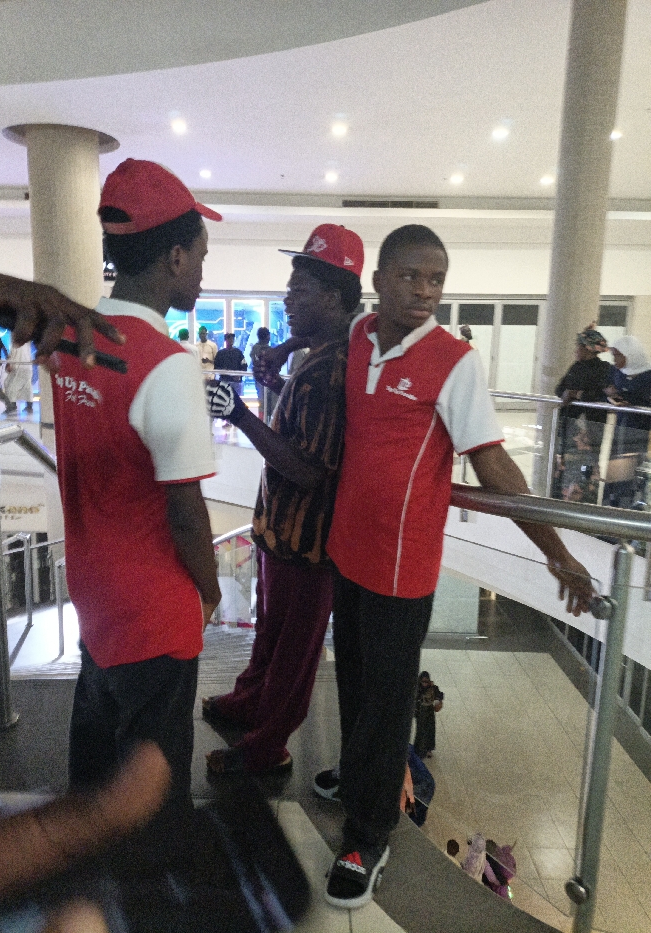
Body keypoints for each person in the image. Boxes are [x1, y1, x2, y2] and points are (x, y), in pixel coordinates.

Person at [0, 158, 224, 913]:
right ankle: (145, 907)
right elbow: (186, 514)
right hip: (156, 611)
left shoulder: (70, 336)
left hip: (96, 596)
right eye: (202, 254)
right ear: (175, 258)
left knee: (94, 777)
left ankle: (90, 893)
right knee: (148, 796)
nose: (204, 269)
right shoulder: (168, 366)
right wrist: (209, 590)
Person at [311, 224, 591, 910]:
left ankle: (367, 837)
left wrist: (557, 552)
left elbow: (493, 466)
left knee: (386, 706)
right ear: (379, 280)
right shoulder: (359, 335)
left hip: (401, 567)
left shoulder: (453, 361)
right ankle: (359, 778)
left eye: (436, 279)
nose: (425, 291)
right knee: (352, 680)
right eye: (411, 276)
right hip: (348, 548)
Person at [203, 224, 363, 775]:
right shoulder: (322, 355)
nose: (288, 300)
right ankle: (251, 700)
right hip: (283, 532)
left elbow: (308, 470)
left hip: (308, 540)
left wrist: (239, 414)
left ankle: (267, 746)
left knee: (294, 651)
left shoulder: (332, 369)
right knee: (271, 633)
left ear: (334, 297)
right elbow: (296, 432)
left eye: (300, 291)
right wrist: (284, 357)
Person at [554, 326, 612, 502]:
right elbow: (559, 389)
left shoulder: (603, 369)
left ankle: (584, 499)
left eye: (579, 346)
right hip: (569, 425)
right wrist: (568, 393)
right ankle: (562, 497)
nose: (576, 350)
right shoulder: (576, 367)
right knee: (565, 464)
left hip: (592, 428)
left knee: (587, 466)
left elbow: (604, 396)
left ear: (588, 349)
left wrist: (577, 394)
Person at [603, 335, 651, 508]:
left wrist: (628, 399)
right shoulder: (616, 372)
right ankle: (612, 504)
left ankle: (629, 506)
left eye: (618, 355)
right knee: (615, 466)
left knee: (632, 469)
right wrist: (610, 395)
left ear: (630, 355)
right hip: (620, 427)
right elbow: (605, 390)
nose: (615, 360)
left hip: (639, 429)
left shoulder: (648, 375)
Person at [250, 327, 278, 419]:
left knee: (262, 401)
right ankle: (267, 421)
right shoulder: (269, 350)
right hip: (269, 379)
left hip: (259, 379)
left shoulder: (254, 349)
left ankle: (263, 420)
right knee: (269, 402)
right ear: (267, 336)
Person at [414, 671, 443, 759]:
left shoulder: (433, 688)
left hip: (430, 711)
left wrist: (438, 701)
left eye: (426, 681)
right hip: (420, 712)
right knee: (420, 730)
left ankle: (429, 749)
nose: (425, 684)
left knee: (430, 729)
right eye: (423, 681)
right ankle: (419, 749)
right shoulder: (417, 689)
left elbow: (439, 695)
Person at [3, 334, 34, 414]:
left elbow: (12, 355)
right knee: (27, 387)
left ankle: (12, 406)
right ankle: (29, 406)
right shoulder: (27, 343)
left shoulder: (15, 344)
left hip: (19, 368)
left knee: (11, 386)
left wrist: (9, 364)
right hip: (28, 367)